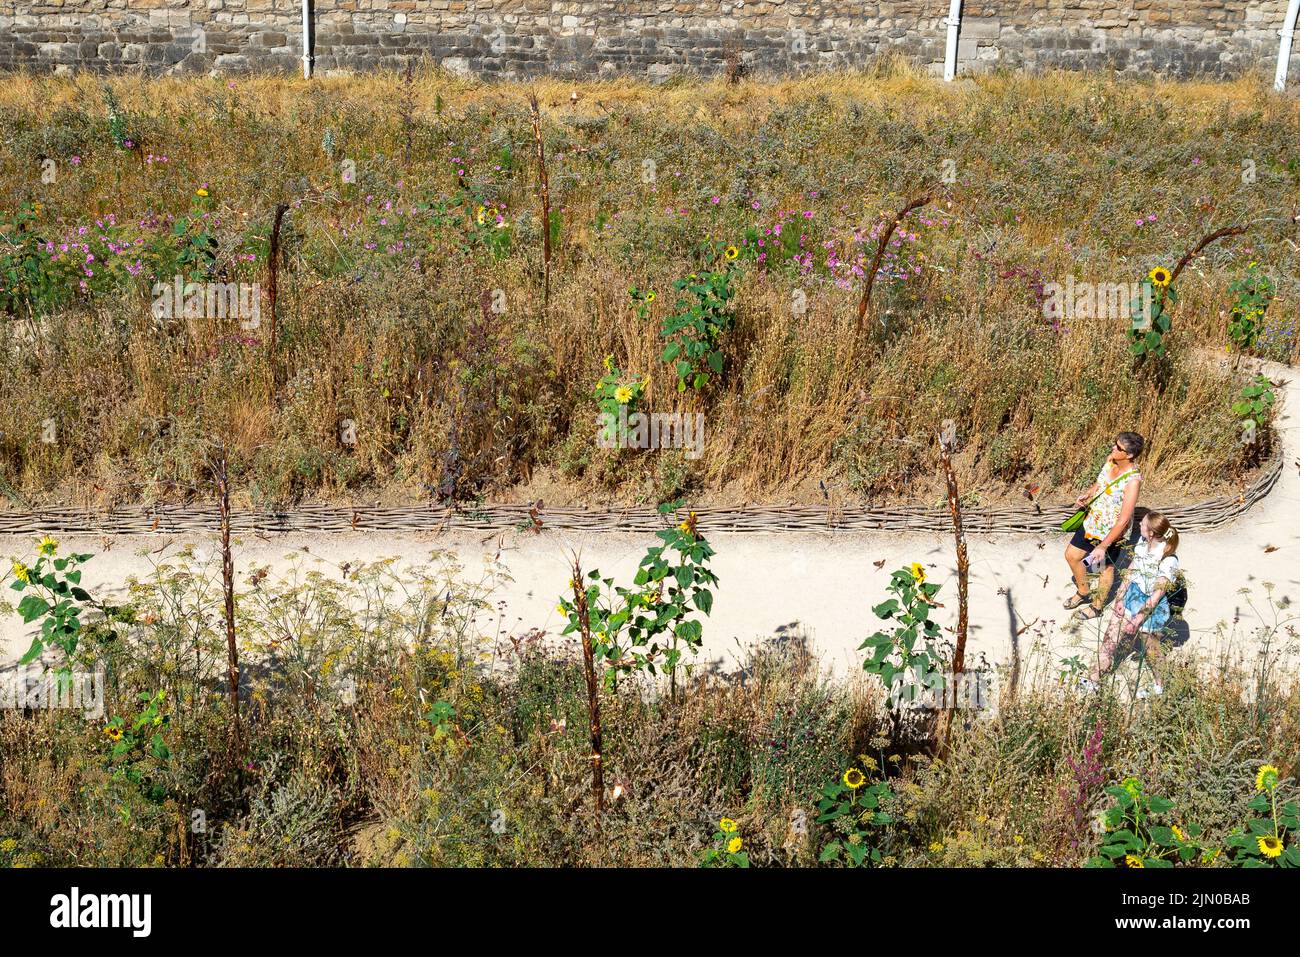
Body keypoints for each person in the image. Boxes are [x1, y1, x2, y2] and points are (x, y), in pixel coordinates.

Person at [1088, 510, 1180, 685]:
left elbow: (1157, 595)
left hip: (1152, 606)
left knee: (1152, 649)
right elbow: (1132, 569)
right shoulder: (1142, 541)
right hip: (1133, 593)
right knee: (1111, 636)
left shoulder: (1168, 559)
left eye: (1143, 524)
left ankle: (1161, 685)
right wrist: (1120, 597)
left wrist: (1138, 619)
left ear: (1152, 533)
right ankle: (1093, 679)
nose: (1139, 525)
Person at [1064, 431, 1143, 619]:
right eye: (1114, 444)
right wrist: (1089, 493)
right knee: (1072, 556)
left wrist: (1103, 545)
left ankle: (1097, 607)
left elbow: (1124, 518)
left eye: (1118, 448)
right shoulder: (1110, 461)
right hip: (1092, 521)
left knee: (1103, 568)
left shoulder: (1133, 481)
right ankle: (1083, 592)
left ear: (1129, 455)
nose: (1113, 448)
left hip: (1111, 531)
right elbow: (1100, 483)